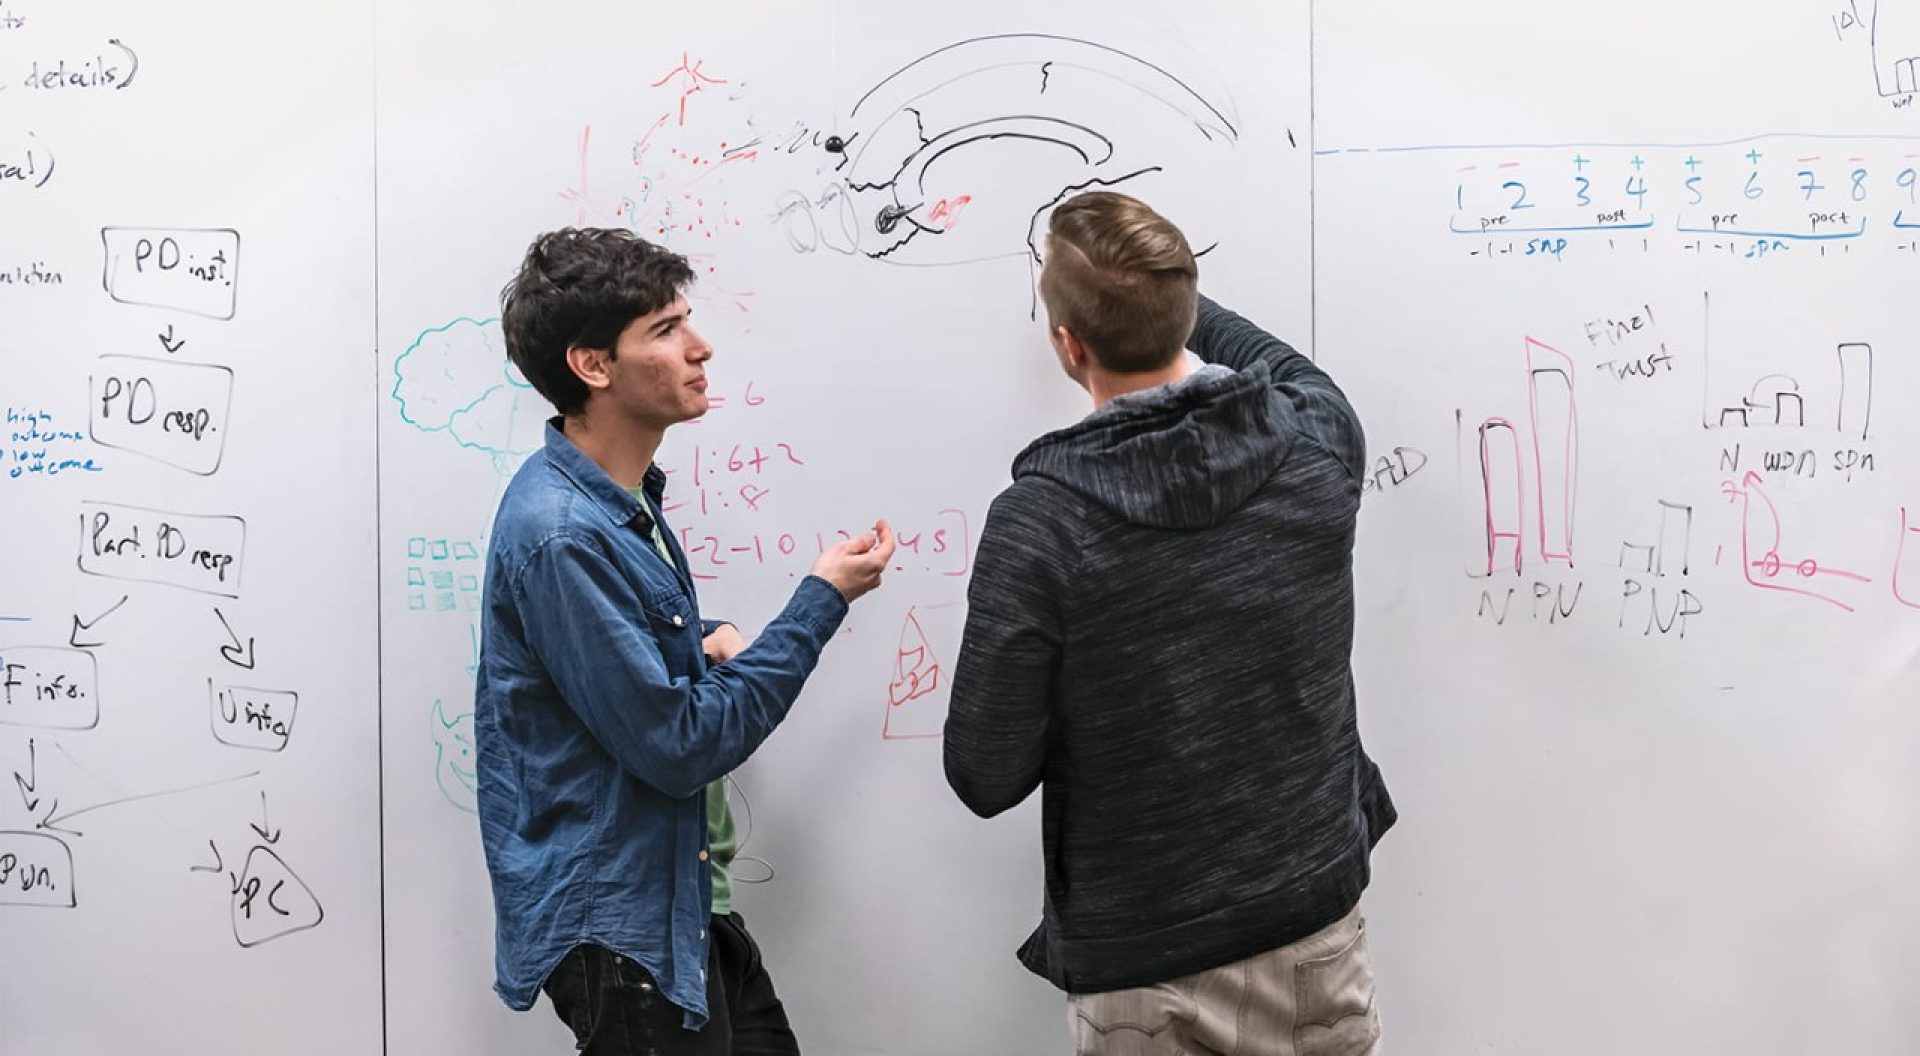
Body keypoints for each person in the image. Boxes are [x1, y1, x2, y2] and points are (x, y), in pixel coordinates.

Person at [944, 192, 1395, 1056]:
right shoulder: (1318, 444)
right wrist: (1156, 297)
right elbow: (1280, 362)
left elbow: (984, 774)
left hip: (1143, 962)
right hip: (1311, 924)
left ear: (1067, 344)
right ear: (1187, 313)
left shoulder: (1042, 526)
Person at [476, 227, 895, 1054]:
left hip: (680, 902)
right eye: (665, 331)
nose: (700, 348)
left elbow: (602, 658)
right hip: (625, 930)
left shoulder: (616, 507)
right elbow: (677, 742)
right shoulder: (563, 533)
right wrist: (820, 602)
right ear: (593, 366)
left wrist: (700, 638)